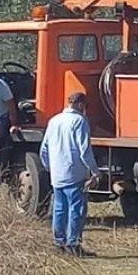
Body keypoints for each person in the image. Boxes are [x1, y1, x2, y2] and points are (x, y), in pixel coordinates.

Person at [40, 92, 100, 257]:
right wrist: (95, 172)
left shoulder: (54, 120)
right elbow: (84, 151)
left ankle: (59, 243)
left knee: (59, 208)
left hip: (57, 173)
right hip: (74, 172)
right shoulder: (79, 121)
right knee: (77, 209)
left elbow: (44, 149)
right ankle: (73, 243)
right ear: (81, 105)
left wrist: (49, 167)